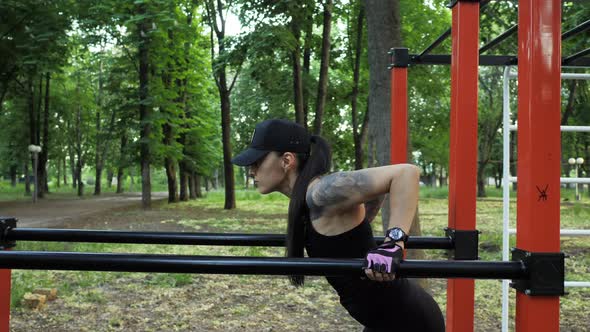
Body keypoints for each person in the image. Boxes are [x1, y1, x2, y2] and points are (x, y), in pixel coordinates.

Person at [231, 119, 445, 331]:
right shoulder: (307, 200)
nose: (251, 171)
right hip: (383, 319)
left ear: (287, 160)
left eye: (257, 162)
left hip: (409, 322)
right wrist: (358, 222)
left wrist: (393, 244)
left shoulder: (320, 193)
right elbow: (375, 193)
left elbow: (406, 173)